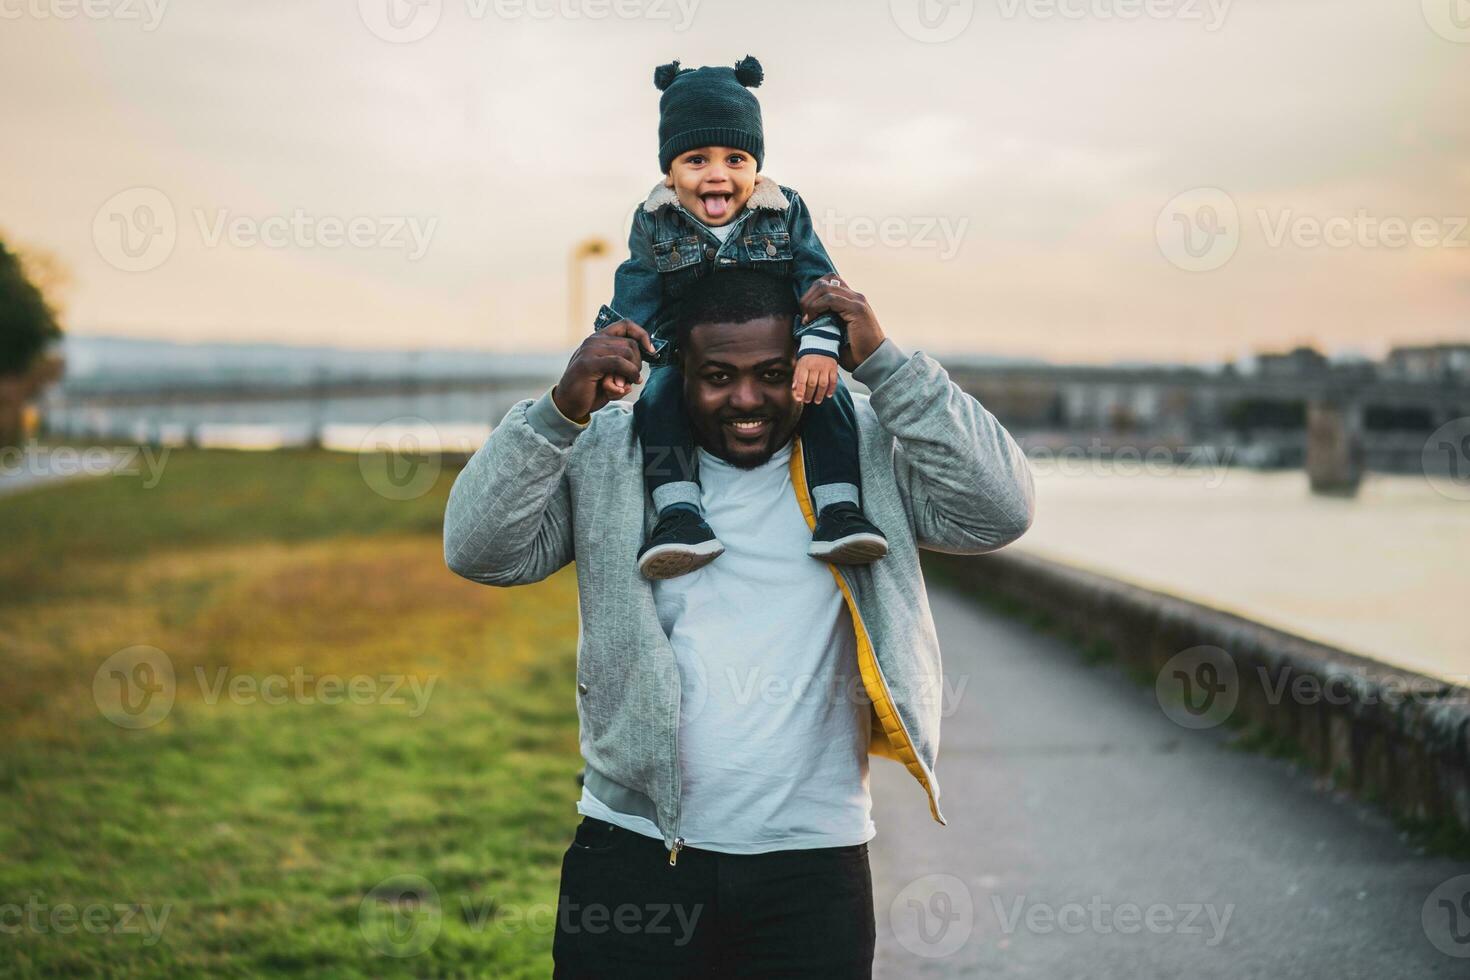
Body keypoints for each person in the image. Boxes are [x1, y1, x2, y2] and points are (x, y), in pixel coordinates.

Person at [444, 270, 1036, 977]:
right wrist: (555, 416)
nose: (748, 399)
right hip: (634, 855)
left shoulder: (864, 455)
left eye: (774, 374)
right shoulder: (613, 452)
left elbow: (1001, 509)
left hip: (812, 868)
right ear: (677, 374)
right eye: (718, 375)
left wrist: (886, 365)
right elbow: (481, 551)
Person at [592, 55, 888, 580]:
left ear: (755, 167)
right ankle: (679, 514)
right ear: (670, 171)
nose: (717, 175)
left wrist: (819, 346)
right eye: (696, 160)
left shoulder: (784, 210)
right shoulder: (653, 220)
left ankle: (839, 508)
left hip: (786, 343)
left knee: (828, 394)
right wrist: (619, 350)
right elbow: (637, 285)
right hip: (684, 353)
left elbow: (819, 281)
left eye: (735, 160)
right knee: (660, 402)